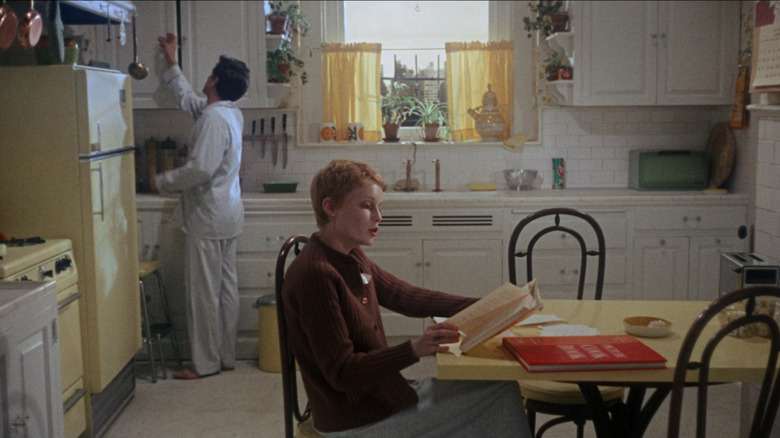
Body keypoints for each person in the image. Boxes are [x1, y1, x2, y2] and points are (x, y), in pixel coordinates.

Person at [282, 159, 532, 437]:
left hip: (381, 397)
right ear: (331, 208)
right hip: (354, 420)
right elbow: (342, 372)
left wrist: (490, 305)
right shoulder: (315, 274)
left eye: (379, 207)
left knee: (501, 388)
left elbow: (407, 297)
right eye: (367, 206)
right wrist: (415, 349)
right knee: (500, 395)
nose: (379, 217)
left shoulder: (350, 254)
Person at [150, 33, 250, 380]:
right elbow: (189, 100)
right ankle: (225, 357)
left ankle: (204, 365)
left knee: (203, 294)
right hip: (228, 214)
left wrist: (162, 181)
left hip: (208, 216)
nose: (206, 76)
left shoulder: (213, 119)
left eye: (210, 73)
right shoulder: (228, 113)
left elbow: (200, 169)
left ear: (215, 81)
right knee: (225, 290)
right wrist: (172, 61)